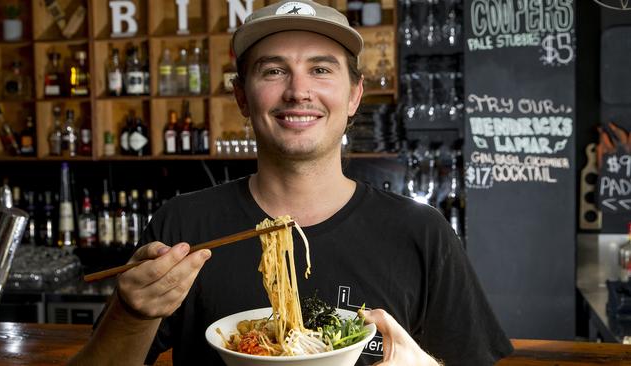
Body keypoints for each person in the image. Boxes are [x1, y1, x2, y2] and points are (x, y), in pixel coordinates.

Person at [70, 1, 513, 365]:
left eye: (321, 70)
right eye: (273, 71)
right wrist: (130, 315)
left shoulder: (421, 232)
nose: (298, 91)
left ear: (355, 95)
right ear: (242, 96)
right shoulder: (184, 223)